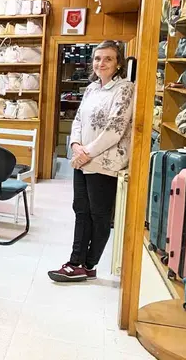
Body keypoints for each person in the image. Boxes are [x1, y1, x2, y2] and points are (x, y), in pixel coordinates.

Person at [48, 40, 134, 283]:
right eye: (97, 59)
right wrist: (76, 146)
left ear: (118, 63)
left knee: (99, 215)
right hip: (82, 160)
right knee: (81, 210)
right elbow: (77, 120)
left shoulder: (125, 89)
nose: (101, 63)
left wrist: (87, 152)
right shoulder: (91, 89)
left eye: (108, 59)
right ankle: (75, 262)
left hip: (104, 162)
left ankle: (89, 264)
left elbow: (116, 127)